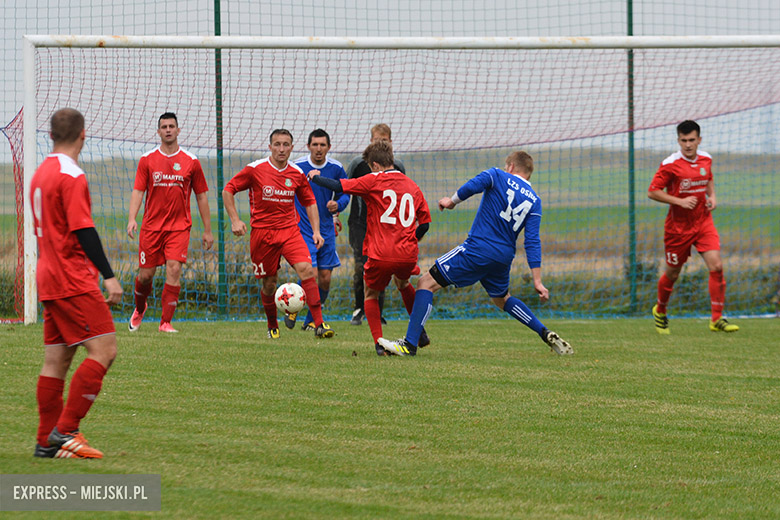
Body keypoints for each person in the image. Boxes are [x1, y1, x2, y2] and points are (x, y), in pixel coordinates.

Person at [378, 151, 573, 357]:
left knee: (425, 283)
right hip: (503, 257)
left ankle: (409, 345)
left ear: (511, 167)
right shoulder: (535, 201)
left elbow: (473, 185)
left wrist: (451, 201)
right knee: (502, 299)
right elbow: (532, 241)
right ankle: (544, 332)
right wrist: (538, 281)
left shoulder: (497, 175)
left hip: (479, 248)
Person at [30, 108, 123, 458]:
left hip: (48, 276)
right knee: (104, 350)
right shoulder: (71, 175)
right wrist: (110, 276)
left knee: (57, 359)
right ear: (83, 135)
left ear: (51, 135)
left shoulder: (41, 173)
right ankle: (65, 431)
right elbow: (83, 229)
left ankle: (44, 441)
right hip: (72, 278)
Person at [311, 140, 432, 355]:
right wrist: (412, 239)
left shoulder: (373, 180)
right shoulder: (412, 185)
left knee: (370, 294)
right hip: (407, 253)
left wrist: (316, 177)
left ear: (375, 165)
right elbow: (425, 224)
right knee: (403, 283)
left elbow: (340, 186)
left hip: (381, 252)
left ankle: (379, 342)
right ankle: (418, 332)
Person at [223, 128, 335, 339]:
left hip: (290, 232)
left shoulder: (296, 173)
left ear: (292, 148)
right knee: (269, 283)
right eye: (277, 144)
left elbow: (309, 201)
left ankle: (319, 324)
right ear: (270, 147)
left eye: (286, 145)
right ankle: (272, 325)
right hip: (262, 235)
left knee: (307, 270)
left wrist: (317, 231)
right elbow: (228, 189)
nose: (281, 149)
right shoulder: (255, 169)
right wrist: (235, 219)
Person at [649, 120, 739, 334]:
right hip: (677, 228)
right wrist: (679, 201)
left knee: (716, 266)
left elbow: (708, 178)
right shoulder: (670, 163)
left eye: (691, 140)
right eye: (683, 140)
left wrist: (712, 196)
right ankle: (660, 310)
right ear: (678, 140)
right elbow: (652, 191)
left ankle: (716, 319)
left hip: (703, 222)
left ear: (699, 139)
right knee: (672, 273)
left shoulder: (706, 159)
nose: (688, 145)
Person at [126, 112, 213, 333]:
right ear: (158, 132)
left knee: (174, 269)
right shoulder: (147, 159)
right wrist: (131, 219)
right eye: (163, 126)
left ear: (178, 130)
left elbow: (201, 196)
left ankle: (165, 322)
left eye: (171, 126)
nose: (167, 130)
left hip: (179, 227)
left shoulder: (191, 161)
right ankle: (140, 307)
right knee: (146, 276)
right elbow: (138, 191)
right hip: (151, 228)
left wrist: (208, 230)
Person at [285, 129, 350, 331]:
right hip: (303, 229)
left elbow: (345, 193)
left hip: (327, 230)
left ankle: (310, 320)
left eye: (322, 145)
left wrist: (338, 206)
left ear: (329, 147)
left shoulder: (336, 168)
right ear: (308, 146)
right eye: (315, 145)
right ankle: (292, 307)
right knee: (310, 272)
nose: (319, 149)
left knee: (325, 278)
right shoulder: (298, 167)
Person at [346, 124, 405, 326]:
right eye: (377, 140)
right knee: (361, 266)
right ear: (371, 141)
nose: (381, 143)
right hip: (359, 224)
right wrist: (336, 210)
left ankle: (377, 311)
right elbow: (345, 189)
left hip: (385, 226)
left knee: (382, 267)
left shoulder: (398, 167)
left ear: (390, 142)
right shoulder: (358, 164)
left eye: (385, 140)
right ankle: (359, 309)